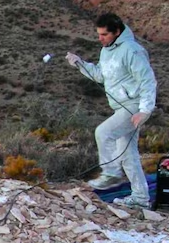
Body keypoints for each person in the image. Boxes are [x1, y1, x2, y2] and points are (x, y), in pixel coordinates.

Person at [66, 13, 157, 209]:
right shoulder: (106, 50)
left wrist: (145, 110)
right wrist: (80, 64)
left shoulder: (132, 51)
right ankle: (141, 198)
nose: (100, 38)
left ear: (117, 32)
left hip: (133, 106)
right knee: (128, 153)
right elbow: (101, 76)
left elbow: (147, 80)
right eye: (98, 34)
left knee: (104, 132)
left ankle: (111, 174)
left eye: (104, 34)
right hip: (122, 106)